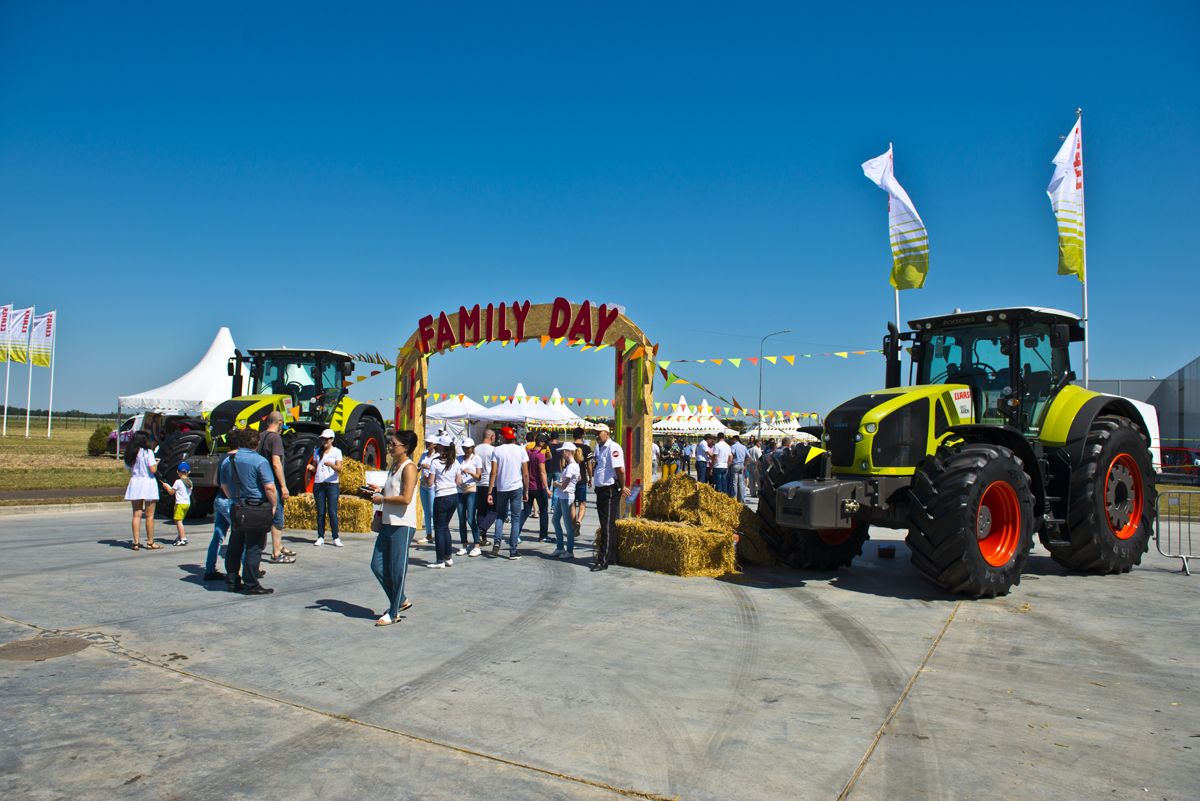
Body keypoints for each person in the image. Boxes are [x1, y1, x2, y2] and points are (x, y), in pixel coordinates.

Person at [366, 430, 419, 626]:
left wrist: (383, 498)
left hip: (402, 525)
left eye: (393, 444)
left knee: (397, 569)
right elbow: (392, 490)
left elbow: (406, 498)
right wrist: (378, 490)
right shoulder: (394, 466)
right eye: (390, 443)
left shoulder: (409, 467)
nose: (389, 446)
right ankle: (401, 599)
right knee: (377, 565)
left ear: (405, 447)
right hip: (388, 522)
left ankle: (393, 611)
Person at [219, 427, 278, 595]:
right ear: (256, 443)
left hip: (237, 507)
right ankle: (251, 583)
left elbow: (223, 485)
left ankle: (232, 579)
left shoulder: (227, 460)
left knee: (235, 544)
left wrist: (235, 499)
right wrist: (274, 505)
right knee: (254, 546)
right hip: (255, 507)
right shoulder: (260, 461)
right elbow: (269, 487)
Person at [258, 411, 296, 564]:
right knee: (277, 517)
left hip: (261, 483)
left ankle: (278, 546)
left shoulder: (260, 436)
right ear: (280, 422)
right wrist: (284, 486)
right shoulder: (275, 438)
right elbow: (276, 462)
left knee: (267, 515)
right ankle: (276, 553)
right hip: (273, 483)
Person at [487, 426, 529, 560]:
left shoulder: (497, 450)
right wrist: (526, 490)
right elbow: (525, 473)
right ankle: (513, 550)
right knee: (515, 519)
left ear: (503, 437)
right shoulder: (521, 450)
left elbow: (493, 472)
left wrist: (490, 491)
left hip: (502, 488)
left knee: (500, 516)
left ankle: (497, 542)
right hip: (516, 487)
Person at [591, 423, 628, 571]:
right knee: (608, 524)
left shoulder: (613, 447)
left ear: (607, 433)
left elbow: (620, 469)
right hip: (601, 489)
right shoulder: (599, 447)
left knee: (606, 525)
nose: (597, 435)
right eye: (596, 432)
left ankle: (603, 560)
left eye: (599, 432)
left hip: (610, 489)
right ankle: (611, 557)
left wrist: (623, 485)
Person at [425, 435, 461, 568]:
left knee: (439, 529)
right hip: (453, 495)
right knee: (445, 527)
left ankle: (440, 560)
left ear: (441, 447)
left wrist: (426, 478)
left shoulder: (435, 462)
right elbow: (459, 481)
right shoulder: (455, 462)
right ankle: (448, 556)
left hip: (441, 496)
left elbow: (430, 483)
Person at [123, 430, 162, 550]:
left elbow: (128, 468)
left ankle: (135, 542)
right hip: (147, 483)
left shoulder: (131, 453)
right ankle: (150, 542)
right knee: (149, 515)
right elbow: (153, 470)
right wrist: (156, 463)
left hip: (135, 482)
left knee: (136, 513)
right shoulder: (148, 452)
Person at [203, 446, 236, 582]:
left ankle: (209, 569)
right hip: (229, 500)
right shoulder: (234, 459)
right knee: (241, 536)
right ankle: (241, 571)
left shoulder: (222, 457)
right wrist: (232, 498)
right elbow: (223, 484)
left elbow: (216, 481)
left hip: (220, 499)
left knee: (218, 534)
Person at [308, 429, 344, 547]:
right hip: (319, 483)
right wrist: (310, 468)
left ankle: (335, 537)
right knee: (320, 512)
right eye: (323, 439)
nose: (324, 441)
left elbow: (339, 469)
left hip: (332, 484)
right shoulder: (317, 451)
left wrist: (331, 465)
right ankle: (320, 536)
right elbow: (315, 467)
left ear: (332, 439)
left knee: (332, 511)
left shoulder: (337, 452)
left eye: (327, 439)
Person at [520, 432, 551, 542]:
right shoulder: (540, 455)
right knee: (543, 511)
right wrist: (547, 488)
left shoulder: (528, 452)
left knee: (526, 511)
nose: (546, 446)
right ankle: (543, 535)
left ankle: (516, 533)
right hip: (538, 487)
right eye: (546, 443)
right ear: (541, 443)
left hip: (528, 486)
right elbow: (543, 472)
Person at [551, 442, 580, 558]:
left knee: (567, 525)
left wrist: (556, 483)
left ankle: (569, 550)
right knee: (556, 521)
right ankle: (560, 548)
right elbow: (578, 478)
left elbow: (563, 486)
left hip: (566, 497)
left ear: (569, 452)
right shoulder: (573, 465)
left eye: (564, 451)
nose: (562, 453)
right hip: (564, 497)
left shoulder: (571, 466)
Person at [455, 438, 483, 557]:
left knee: (471, 518)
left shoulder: (477, 458)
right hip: (460, 490)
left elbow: (479, 477)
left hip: (471, 489)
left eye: (468, 448)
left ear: (473, 447)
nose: (466, 450)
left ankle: (477, 544)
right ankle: (464, 545)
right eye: (464, 448)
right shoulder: (458, 459)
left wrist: (469, 472)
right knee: (461, 518)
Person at [159, 461, 192, 546]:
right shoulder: (190, 482)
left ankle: (183, 538)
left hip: (180, 504)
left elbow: (171, 492)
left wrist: (166, 487)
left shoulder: (178, 482)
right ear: (189, 472)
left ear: (178, 472)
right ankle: (180, 536)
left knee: (178, 521)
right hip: (187, 503)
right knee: (180, 520)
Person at [474, 429, 497, 546]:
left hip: (478, 483)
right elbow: (495, 469)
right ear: (492, 437)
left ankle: (482, 538)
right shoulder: (493, 450)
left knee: (481, 511)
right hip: (490, 483)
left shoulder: (475, 449)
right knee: (494, 510)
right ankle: (482, 529)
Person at [416, 434, 436, 545]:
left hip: (432, 486)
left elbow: (437, 469)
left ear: (434, 444)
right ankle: (429, 535)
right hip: (423, 484)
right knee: (427, 512)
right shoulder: (424, 455)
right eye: (426, 442)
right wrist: (419, 466)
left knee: (433, 511)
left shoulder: (437, 456)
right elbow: (418, 467)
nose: (427, 444)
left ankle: (436, 533)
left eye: (429, 443)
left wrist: (426, 466)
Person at [571, 427, 592, 532]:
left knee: (573, 503)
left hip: (571, 479)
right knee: (582, 503)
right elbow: (589, 465)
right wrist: (590, 478)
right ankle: (579, 521)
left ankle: (574, 524)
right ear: (582, 435)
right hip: (582, 478)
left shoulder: (570, 447)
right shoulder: (587, 448)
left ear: (573, 435)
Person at [711, 432, 733, 497]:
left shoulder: (717, 445)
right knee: (724, 482)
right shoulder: (728, 446)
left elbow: (715, 456)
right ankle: (725, 496)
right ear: (724, 437)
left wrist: (712, 466)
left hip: (718, 466)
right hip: (725, 466)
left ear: (718, 437)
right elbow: (730, 457)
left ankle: (719, 496)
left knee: (718, 483)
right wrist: (728, 464)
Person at [730, 434, 749, 502]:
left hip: (735, 464)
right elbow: (748, 457)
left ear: (735, 439)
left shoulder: (733, 446)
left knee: (734, 482)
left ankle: (734, 498)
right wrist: (745, 465)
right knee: (741, 483)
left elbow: (731, 455)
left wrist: (729, 463)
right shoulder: (744, 447)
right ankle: (741, 499)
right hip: (742, 465)